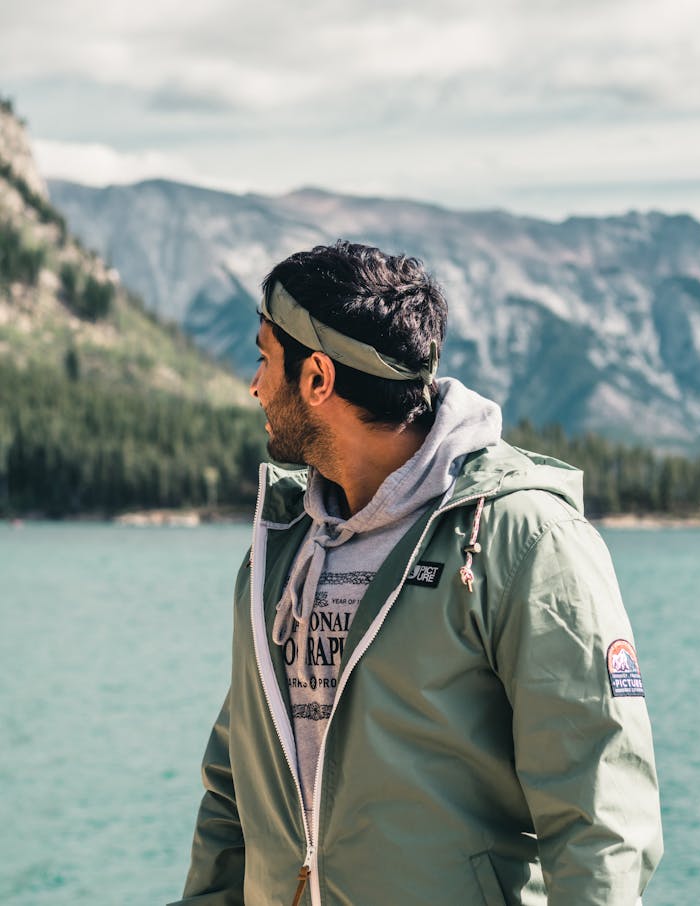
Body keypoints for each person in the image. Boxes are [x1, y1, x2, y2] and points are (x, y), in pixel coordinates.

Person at [171, 241, 662, 906]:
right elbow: (235, 788)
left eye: (264, 357)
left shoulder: (524, 541)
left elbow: (600, 818)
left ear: (318, 379)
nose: (254, 385)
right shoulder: (277, 547)